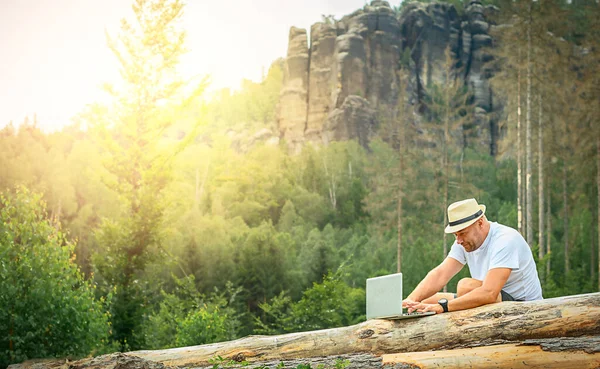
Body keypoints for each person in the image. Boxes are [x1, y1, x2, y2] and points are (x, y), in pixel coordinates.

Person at [403, 198, 543, 314]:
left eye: (462, 233)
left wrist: (444, 307)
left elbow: (489, 292)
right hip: (489, 298)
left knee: (465, 286)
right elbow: (440, 274)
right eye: (455, 235)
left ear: (480, 222)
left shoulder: (505, 240)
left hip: (524, 308)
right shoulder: (462, 242)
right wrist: (411, 301)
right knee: (425, 302)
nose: (458, 240)